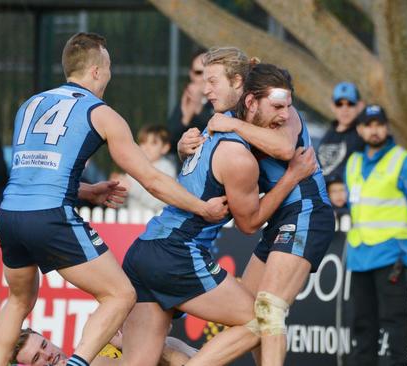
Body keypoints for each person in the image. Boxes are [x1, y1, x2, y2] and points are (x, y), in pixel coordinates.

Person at [0, 32, 228, 366]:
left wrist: (87, 190)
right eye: (110, 67)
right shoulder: (101, 113)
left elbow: (33, 174)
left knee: (18, 299)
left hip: (10, 214)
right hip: (50, 217)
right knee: (121, 294)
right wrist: (201, 206)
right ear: (97, 72)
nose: (111, 74)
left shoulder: (30, 104)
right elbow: (151, 179)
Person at [119, 60, 318, 365]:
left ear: (239, 86)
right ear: (250, 98)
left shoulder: (213, 130)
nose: (205, 89)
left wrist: (184, 148)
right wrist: (292, 176)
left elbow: (284, 145)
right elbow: (250, 222)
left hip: (144, 249)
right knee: (261, 322)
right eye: (204, 80)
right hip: (177, 253)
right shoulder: (232, 147)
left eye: (212, 81)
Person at [204, 55, 335, 366]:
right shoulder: (240, 122)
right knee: (248, 314)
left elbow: (285, 149)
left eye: (288, 105)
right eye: (278, 106)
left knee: (270, 307)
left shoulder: (280, 120)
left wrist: (232, 123)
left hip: (307, 213)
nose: (285, 113)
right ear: (251, 101)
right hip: (278, 219)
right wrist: (188, 141)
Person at [344, 105, 407, 365]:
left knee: (396, 323)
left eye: (379, 124)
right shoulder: (353, 163)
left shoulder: (401, 160)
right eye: (369, 125)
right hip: (359, 255)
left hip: (390, 254)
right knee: (362, 324)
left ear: (387, 127)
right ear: (360, 130)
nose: (374, 130)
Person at [10, 328, 195, 366]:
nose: (47, 355)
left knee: (165, 343)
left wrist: (127, 344)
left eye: (44, 345)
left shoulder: (94, 349)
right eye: (37, 358)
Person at [167, 49, 213, 159]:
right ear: (191, 74)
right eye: (198, 73)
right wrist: (186, 117)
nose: (203, 78)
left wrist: (198, 109)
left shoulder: (222, 100)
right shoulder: (185, 101)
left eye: (208, 72)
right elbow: (169, 144)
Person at [316, 81, 365, 182]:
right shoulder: (328, 133)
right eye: (339, 104)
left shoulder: (363, 133)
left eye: (350, 104)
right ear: (333, 106)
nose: (344, 109)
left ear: (360, 106)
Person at [122, 125, 178, 212]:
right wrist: (120, 192)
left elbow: (162, 202)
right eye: (143, 142)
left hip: (155, 222)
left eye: (153, 143)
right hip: (131, 221)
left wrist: (131, 188)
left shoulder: (166, 169)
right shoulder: (133, 167)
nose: (147, 147)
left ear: (165, 147)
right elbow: (122, 204)